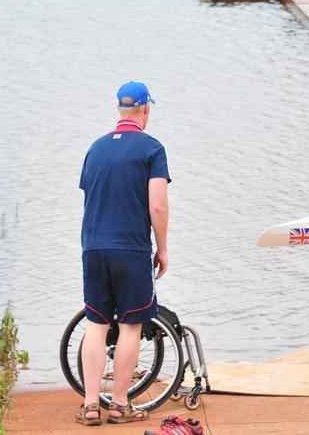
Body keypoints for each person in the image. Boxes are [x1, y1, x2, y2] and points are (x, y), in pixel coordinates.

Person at [76, 81, 171, 426]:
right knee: (131, 326)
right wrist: (162, 248)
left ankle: (90, 405)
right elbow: (157, 206)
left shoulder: (95, 149)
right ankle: (119, 405)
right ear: (145, 110)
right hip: (130, 248)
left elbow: (89, 196)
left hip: (93, 247)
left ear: (120, 109)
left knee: (97, 324)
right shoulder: (152, 149)